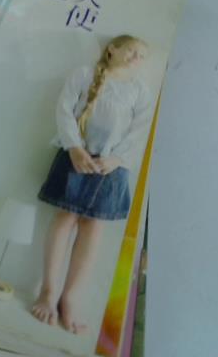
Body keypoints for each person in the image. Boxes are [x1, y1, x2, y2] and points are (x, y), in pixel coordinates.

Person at [32, 34, 152, 333]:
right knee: (65, 217)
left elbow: (139, 131)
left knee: (93, 225)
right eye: (131, 51)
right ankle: (48, 292)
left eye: (141, 55)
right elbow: (64, 110)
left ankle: (70, 298)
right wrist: (74, 147)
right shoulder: (84, 74)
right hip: (76, 156)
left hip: (112, 166)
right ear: (113, 49)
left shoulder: (139, 90)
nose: (136, 58)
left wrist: (116, 158)